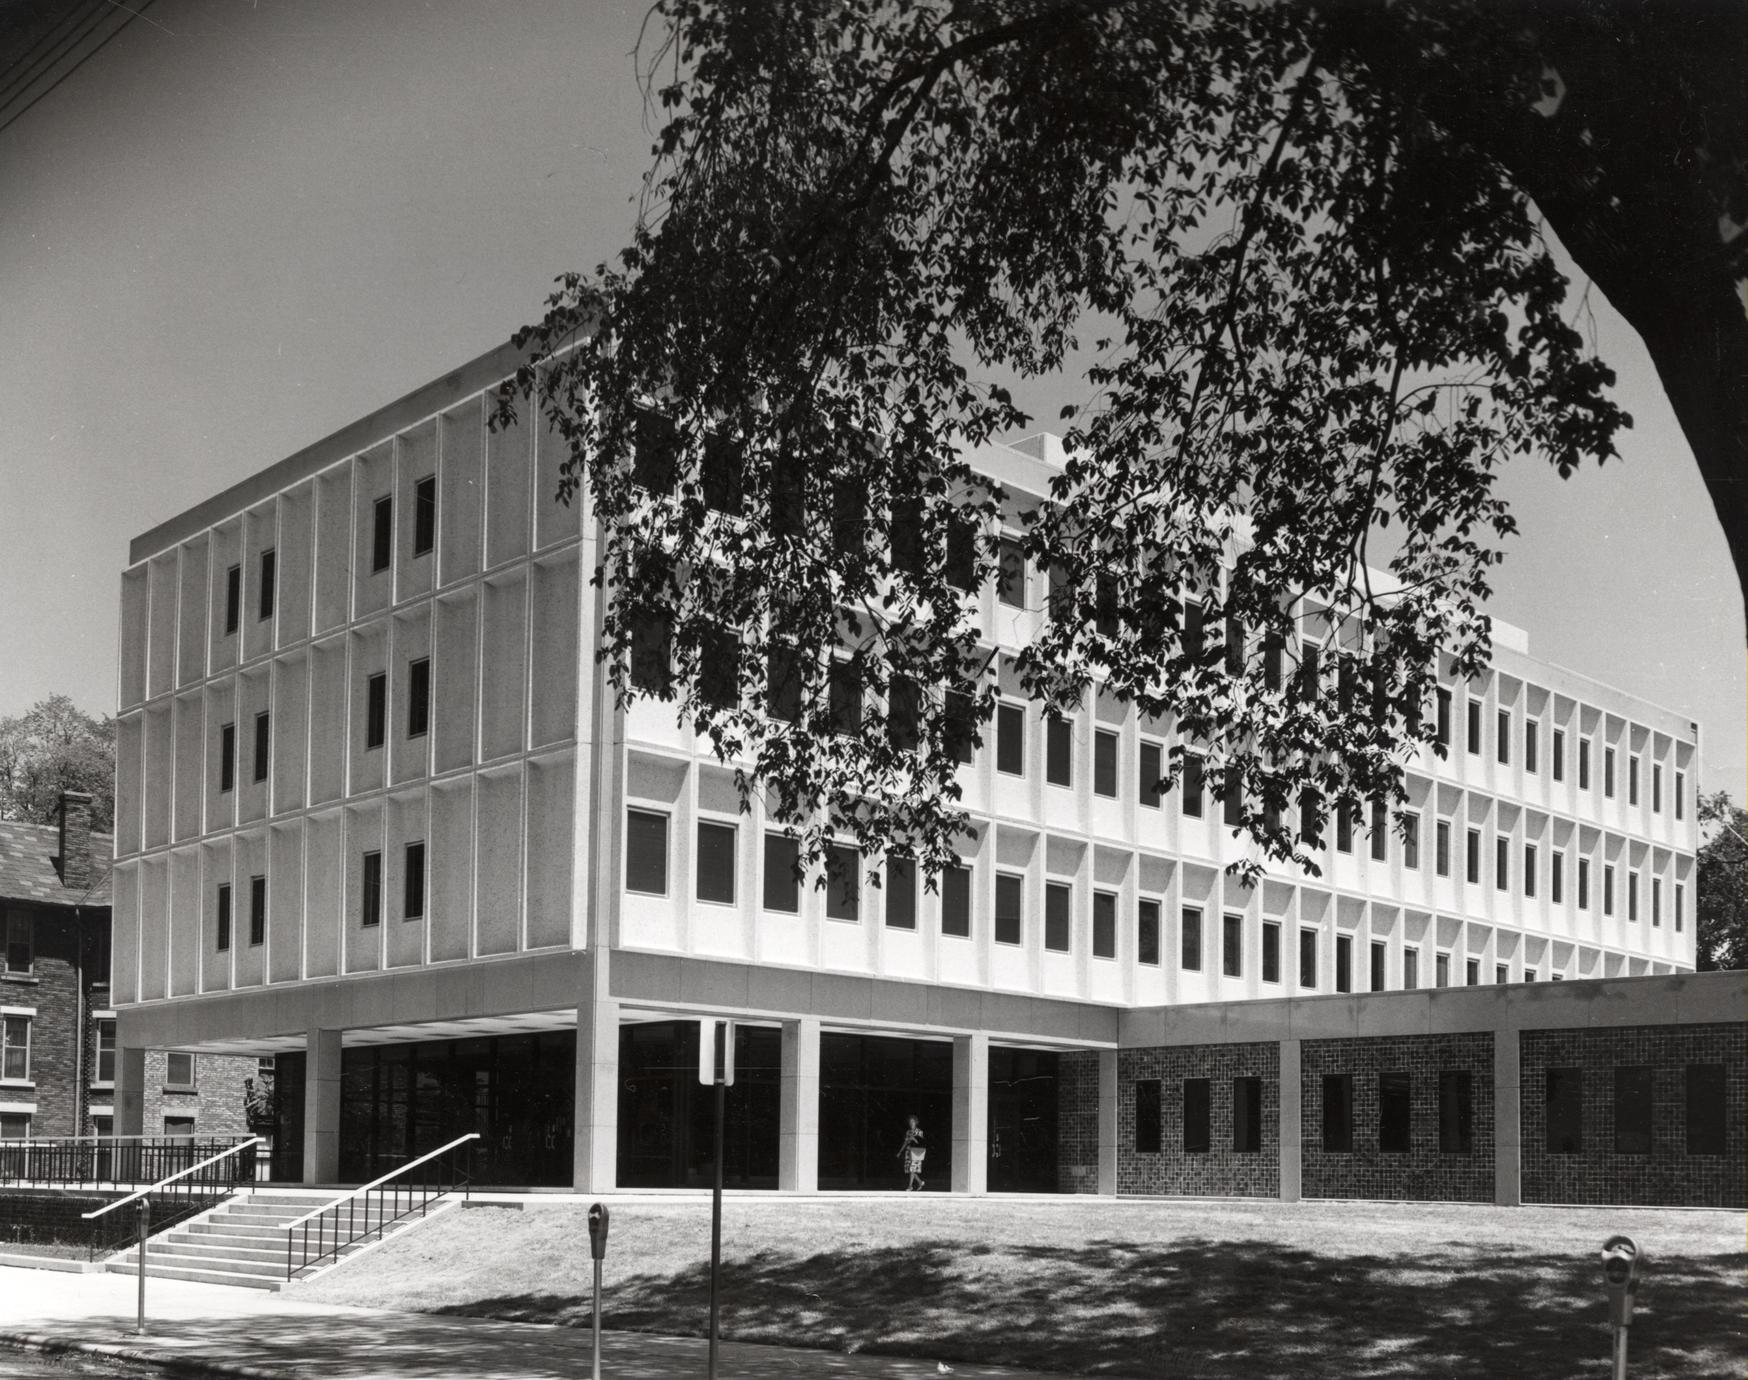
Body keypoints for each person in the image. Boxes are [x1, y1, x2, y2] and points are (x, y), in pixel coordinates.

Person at [897, 1113, 926, 1191]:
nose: (911, 1123)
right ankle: (920, 1182)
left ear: (916, 1122)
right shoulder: (908, 1132)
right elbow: (905, 1142)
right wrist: (900, 1151)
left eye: (913, 1121)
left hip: (916, 1152)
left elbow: (922, 1142)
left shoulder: (919, 1132)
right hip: (908, 1151)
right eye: (910, 1122)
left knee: (912, 1169)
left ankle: (910, 1186)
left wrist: (914, 1139)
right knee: (910, 1169)